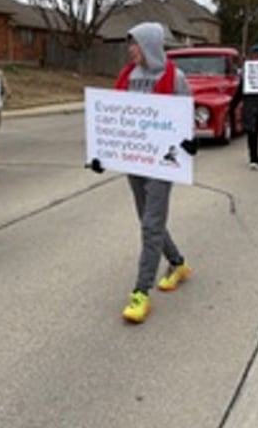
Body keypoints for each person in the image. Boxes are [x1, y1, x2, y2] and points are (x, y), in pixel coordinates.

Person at [89, 22, 195, 324]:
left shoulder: (175, 78)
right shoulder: (127, 76)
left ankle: (141, 293)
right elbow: (113, 119)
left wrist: (190, 141)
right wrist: (101, 155)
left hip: (162, 162)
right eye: (129, 44)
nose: (130, 50)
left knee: (150, 224)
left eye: (133, 43)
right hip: (135, 159)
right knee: (147, 219)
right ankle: (177, 263)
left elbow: (185, 116)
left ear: (149, 44)